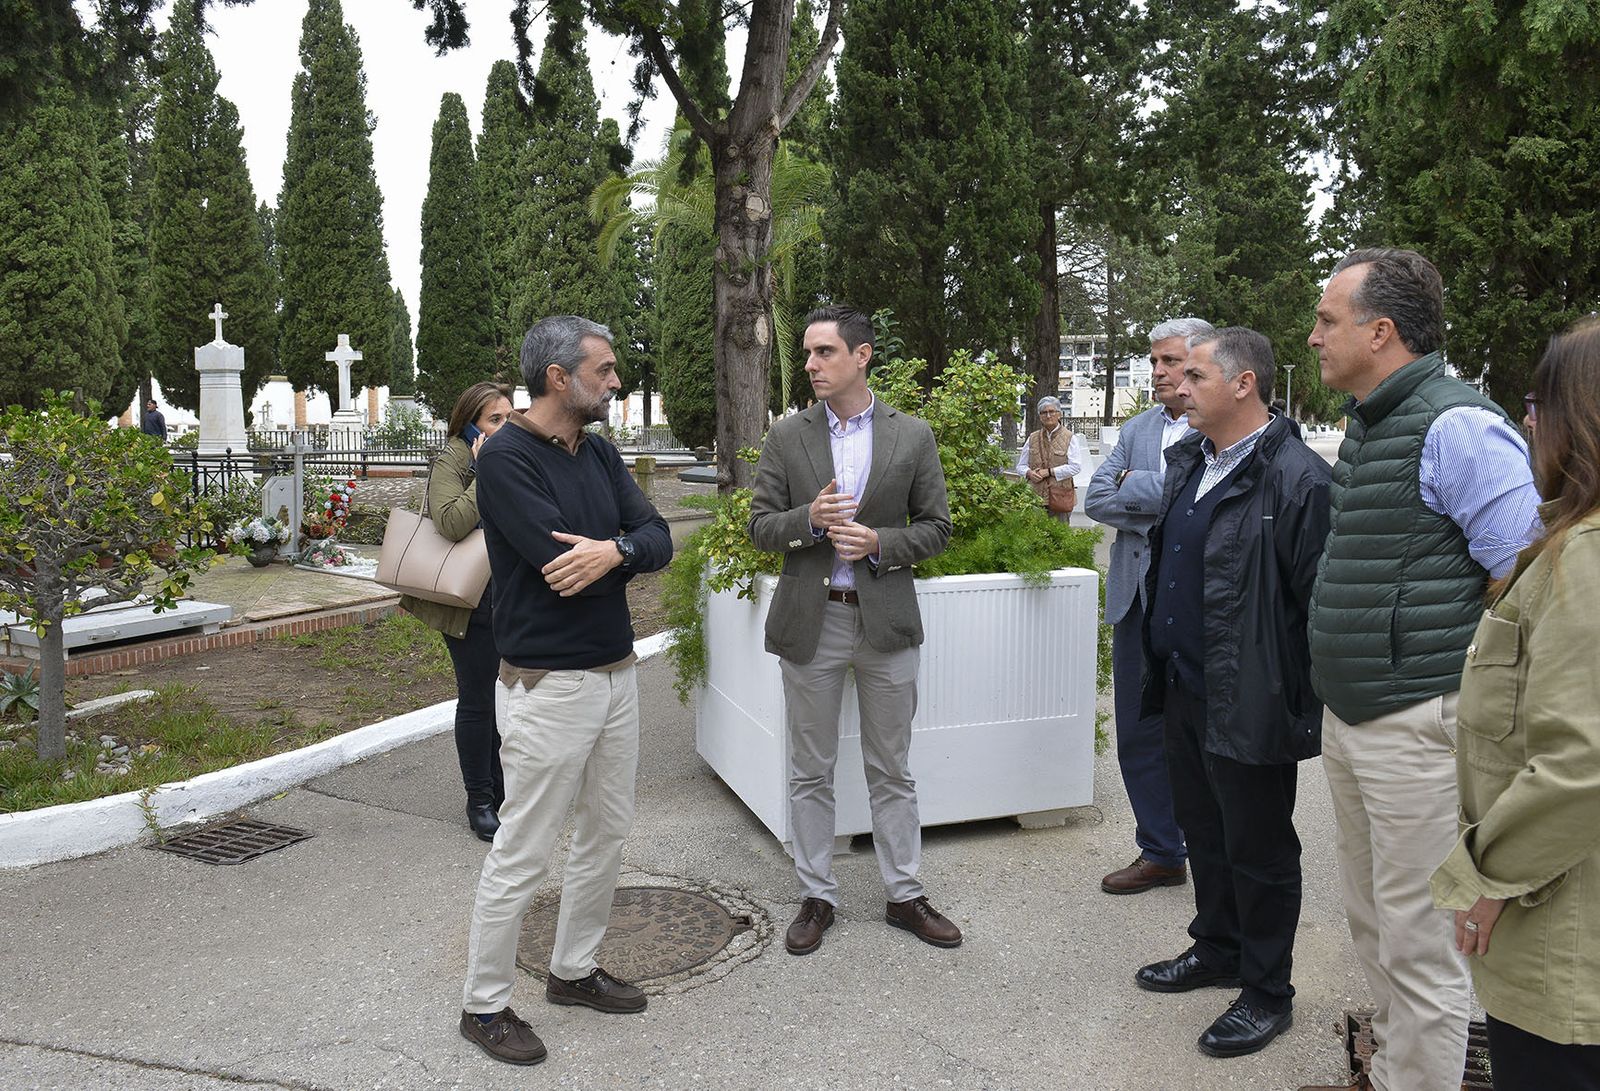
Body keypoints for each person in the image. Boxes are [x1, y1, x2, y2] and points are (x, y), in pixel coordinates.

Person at [1301, 248, 1541, 1091]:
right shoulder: (1372, 422)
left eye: (1327, 320)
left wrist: (1459, 680)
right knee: (1374, 928)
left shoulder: (1456, 423)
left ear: (1382, 330)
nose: (1314, 336)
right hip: (1356, 718)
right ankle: (1395, 1074)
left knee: (1423, 947)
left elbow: (1525, 567)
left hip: (1418, 725)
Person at [458, 316, 672, 1067]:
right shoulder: (506, 459)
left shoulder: (601, 451)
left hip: (616, 673)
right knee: (523, 847)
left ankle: (572, 971)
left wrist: (615, 549)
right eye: (605, 370)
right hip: (548, 685)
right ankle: (483, 1005)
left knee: (607, 833)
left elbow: (658, 537)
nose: (616, 381)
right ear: (559, 377)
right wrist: (623, 551)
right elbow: (558, 563)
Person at [1133, 327, 1330, 1060]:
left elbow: (1314, 602)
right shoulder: (1196, 461)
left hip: (1249, 695)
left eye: (1196, 376)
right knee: (1205, 832)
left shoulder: (1299, 478)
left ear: (1243, 384)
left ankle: (1267, 990)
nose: (1179, 387)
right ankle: (1216, 946)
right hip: (1186, 684)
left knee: (1259, 846)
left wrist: (1288, 697)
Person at [748, 304, 958, 956]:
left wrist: (880, 541)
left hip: (885, 622)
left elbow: (938, 527)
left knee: (891, 767)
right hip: (814, 620)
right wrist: (807, 519)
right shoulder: (789, 437)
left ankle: (904, 893)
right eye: (809, 354)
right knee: (811, 768)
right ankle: (817, 893)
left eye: (824, 352)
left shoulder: (912, 435)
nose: (810, 364)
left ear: (861, 355)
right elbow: (760, 525)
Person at [1430, 318, 1600, 1087]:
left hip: (1564, 937)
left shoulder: (1587, 557)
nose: (1527, 420)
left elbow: (1581, 761)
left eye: (1539, 400)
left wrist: (1484, 879)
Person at [1085, 317, 1212, 895]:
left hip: (1199, 603)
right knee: (1139, 731)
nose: (1157, 372)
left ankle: (1214, 852)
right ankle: (1161, 850)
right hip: (1136, 599)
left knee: (1202, 731)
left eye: (1169, 362)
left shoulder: (1223, 428)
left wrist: (1141, 488)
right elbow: (1095, 498)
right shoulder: (1137, 429)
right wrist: (1160, 493)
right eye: (1154, 361)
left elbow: (1208, 501)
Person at [398, 381, 513, 842]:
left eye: (510, 417)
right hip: (467, 600)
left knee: (496, 697)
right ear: (469, 425)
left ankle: (502, 790)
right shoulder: (455, 458)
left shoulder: (513, 454)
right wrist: (486, 472)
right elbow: (448, 522)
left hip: (506, 594)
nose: (506, 427)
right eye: (494, 420)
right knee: (477, 697)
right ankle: (480, 800)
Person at [1015, 396, 1085, 520]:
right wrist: (1029, 473)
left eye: (1051, 412)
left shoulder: (1069, 437)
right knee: (1035, 535)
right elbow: (1020, 466)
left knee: (1059, 535)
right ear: (1040, 416)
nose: (1048, 416)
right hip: (1035, 497)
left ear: (1059, 414)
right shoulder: (1032, 438)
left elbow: (1075, 467)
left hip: (1060, 497)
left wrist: (1049, 472)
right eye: (1044, 413)